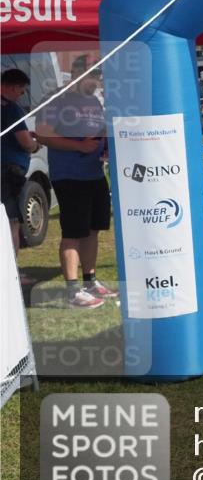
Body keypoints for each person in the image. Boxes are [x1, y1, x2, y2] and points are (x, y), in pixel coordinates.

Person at [35, 56, 116, 308]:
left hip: (95, 173)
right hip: (69, 175)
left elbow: (98, 130)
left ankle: (90, 281)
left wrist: (105, 144)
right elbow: (43, 134)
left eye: (99, 75)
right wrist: (78, 145)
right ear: (77, 72)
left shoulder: (94, 101)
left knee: (93, 229)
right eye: (93, 75)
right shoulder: (56, 99)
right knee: (73, 232)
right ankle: (73, 291)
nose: (97, 81)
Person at [1, 69, 41, 284]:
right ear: (12, 86)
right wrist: (36, 145)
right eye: (22, 90)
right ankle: (12, 273)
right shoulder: (12, 108)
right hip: (8, 172)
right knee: (12, 222)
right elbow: (25, 142)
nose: (22, 95)